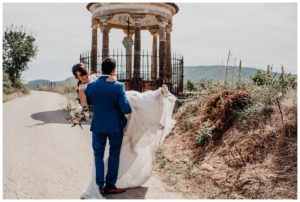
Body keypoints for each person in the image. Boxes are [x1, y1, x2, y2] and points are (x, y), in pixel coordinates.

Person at [71, 59, 177, 199]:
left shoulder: (90, 87)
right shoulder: (116, 85)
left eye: (84, 73)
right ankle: (110, 185)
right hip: (115, 125)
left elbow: (86, 104)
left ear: (89, 70)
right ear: (113, 70)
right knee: (114, 154)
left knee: (98, 155)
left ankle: (98, 186)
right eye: (80, 75)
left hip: (98, 125)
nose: (84, 76)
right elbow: (125, 108)